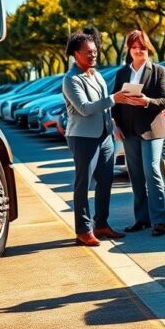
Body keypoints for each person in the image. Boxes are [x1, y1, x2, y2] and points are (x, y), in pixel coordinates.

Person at [63, 31, 136, 246]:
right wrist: (115, 98)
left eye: (95, 52)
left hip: (104, 136)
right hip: (83, 137)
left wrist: (114, 124)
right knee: (83, 183)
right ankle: (83, 230)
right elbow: (85, 108)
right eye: (88, 53)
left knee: (106, 181)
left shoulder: (95, 74)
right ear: (76, 54)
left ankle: (101, 224)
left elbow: (104, 106)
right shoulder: (71, 79)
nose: (93, 55)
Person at [111, 30, 165, 236]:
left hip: (152, 131)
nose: (139, 51)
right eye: (135, 47)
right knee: (136, 176)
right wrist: (116, 125)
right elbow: (116, 103)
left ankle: (159, 220)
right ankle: (142, 219)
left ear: (148, 49)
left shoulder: (158, 71)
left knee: (152, 171)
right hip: (128, 131)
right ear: (129, 49)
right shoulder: (122, 73)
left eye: (143, 47)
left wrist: (148, 102)